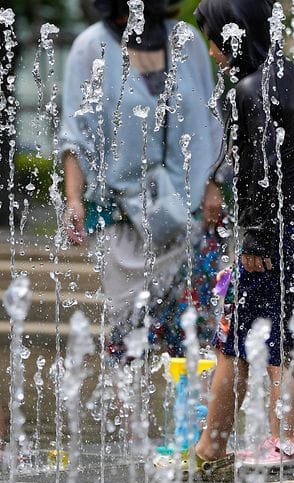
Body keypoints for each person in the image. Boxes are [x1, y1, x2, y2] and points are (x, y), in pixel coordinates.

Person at [186, 0, 294, 483]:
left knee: (233, 341)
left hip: (275, 236)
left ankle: (212, 451)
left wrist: (257, 240)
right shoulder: (293, 76)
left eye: (215, 39)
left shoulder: (249, 89)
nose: (214, 51)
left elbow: (259, 173)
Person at [60, 0, 224, 363]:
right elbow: (75, 135)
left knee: (196, 337)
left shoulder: (187, 42)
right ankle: (128, 422)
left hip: (189, 214)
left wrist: (214, 182)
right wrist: (73, 199)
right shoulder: (89, 47)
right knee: (127, 339)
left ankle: (191, 420)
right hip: (119, 218)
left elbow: (212, 122)